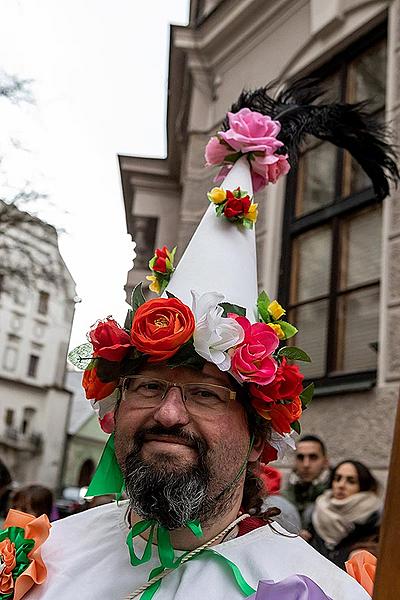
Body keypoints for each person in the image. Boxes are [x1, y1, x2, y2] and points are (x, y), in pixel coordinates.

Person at [24, 79, 399, 600]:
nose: (169, 414)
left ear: (257, 438)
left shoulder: (317, 591)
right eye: (150, 386)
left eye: (205, 392)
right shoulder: (38, 560)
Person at [306, 460, 382, 570]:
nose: (341, 485)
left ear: (363, 486)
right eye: (337, 479)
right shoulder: (316, 512)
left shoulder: (374, 521)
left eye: (351, 481)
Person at [283, 435, 330, 526]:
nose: (306, 464)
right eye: (301, 457)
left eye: (313, 457)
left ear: (325, 462)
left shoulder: (336, 487)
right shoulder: (289, 487)